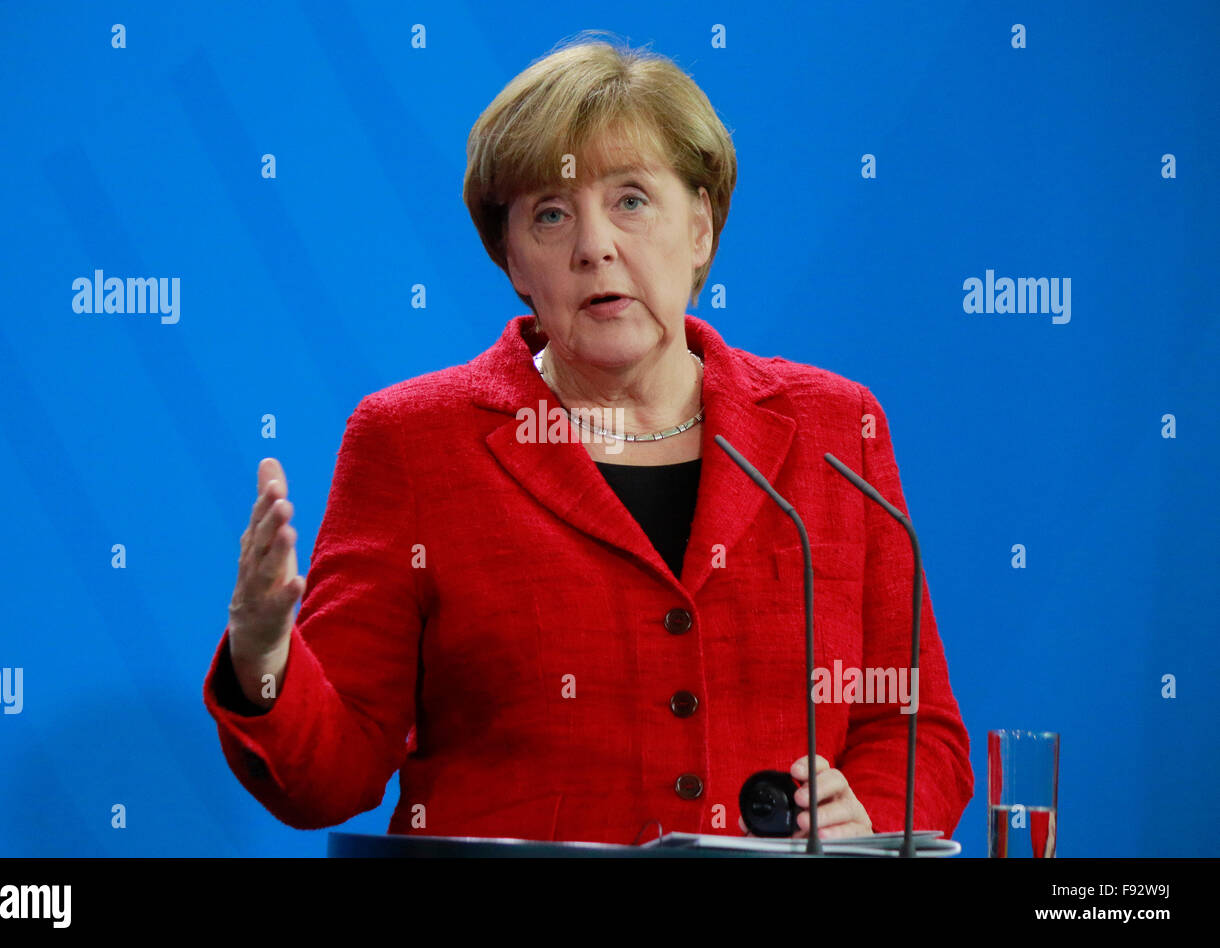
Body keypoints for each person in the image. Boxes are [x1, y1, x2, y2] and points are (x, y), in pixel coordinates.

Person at [203, 33, 973, 845]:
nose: (595, 245)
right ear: (512, 261)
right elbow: (334, 774)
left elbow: (915, 726)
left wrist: (868, 826)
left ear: (701, 228)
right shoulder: (414, 442)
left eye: (632, 200)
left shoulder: (831, 429)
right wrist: (265, 655)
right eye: (551, 214)